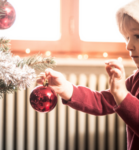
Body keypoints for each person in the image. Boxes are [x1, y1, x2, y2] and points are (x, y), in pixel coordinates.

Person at [37, 0, 139, 149]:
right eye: (127, 38)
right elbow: (102, 101)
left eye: (137, 36)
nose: (128, 46)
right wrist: (66, 88)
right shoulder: (136, 79)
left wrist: (122, 94)